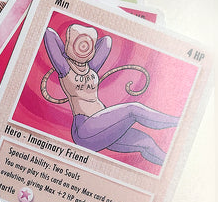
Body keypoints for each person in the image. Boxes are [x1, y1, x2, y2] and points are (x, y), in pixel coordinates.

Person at [42, 24, 179, 165]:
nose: (82, 48)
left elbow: (106, 41)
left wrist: (85, 44)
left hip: (104, 127)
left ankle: (172, 166)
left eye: (87, 44)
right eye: (78, 44)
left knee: (146, 142)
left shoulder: (91, 69)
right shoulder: (65, 69)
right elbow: (49, 34)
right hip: (85, 129)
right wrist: (69, 50)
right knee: (133, 109)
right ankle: (178, 122)